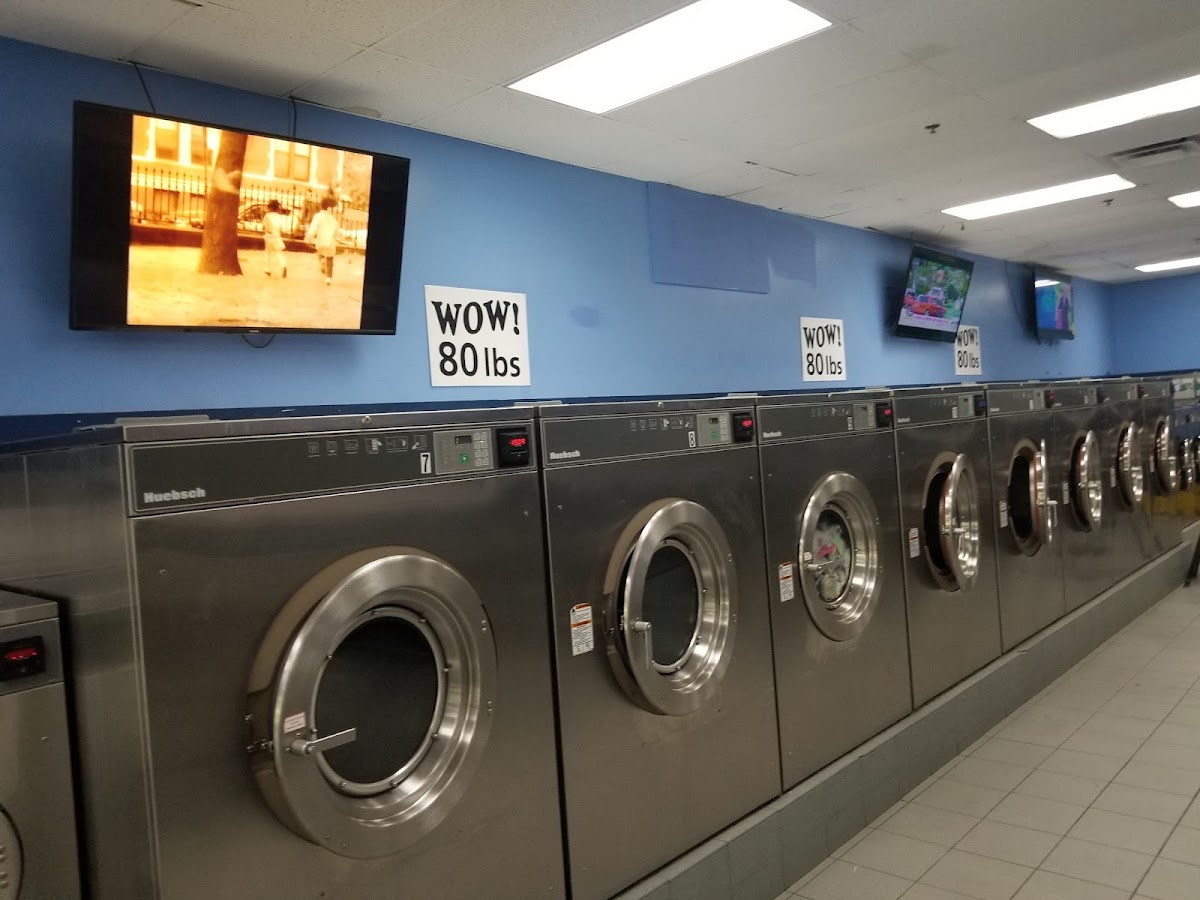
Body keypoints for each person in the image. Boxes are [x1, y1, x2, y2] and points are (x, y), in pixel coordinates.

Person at [305, 197, 341, 286]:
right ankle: (328, 278)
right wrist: (341, 238)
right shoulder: (333, 219)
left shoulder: (317, 216)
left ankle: (321, 260)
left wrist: (308, 237)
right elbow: (337, 232)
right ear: (330, 208)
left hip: (320, 241)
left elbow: (313, 229)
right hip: (330, 242)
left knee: (320, 252)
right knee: (330, 259)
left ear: (321, 206)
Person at [262, 200, 288, 278]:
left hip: (269, 236)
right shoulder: (279, 217)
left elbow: (265, 226)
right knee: (279, 253)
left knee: (268, 253)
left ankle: (267, 269)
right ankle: (283, 265)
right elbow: (282, 228)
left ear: (269, 208)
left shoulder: (267, 216)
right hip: (277, 236)